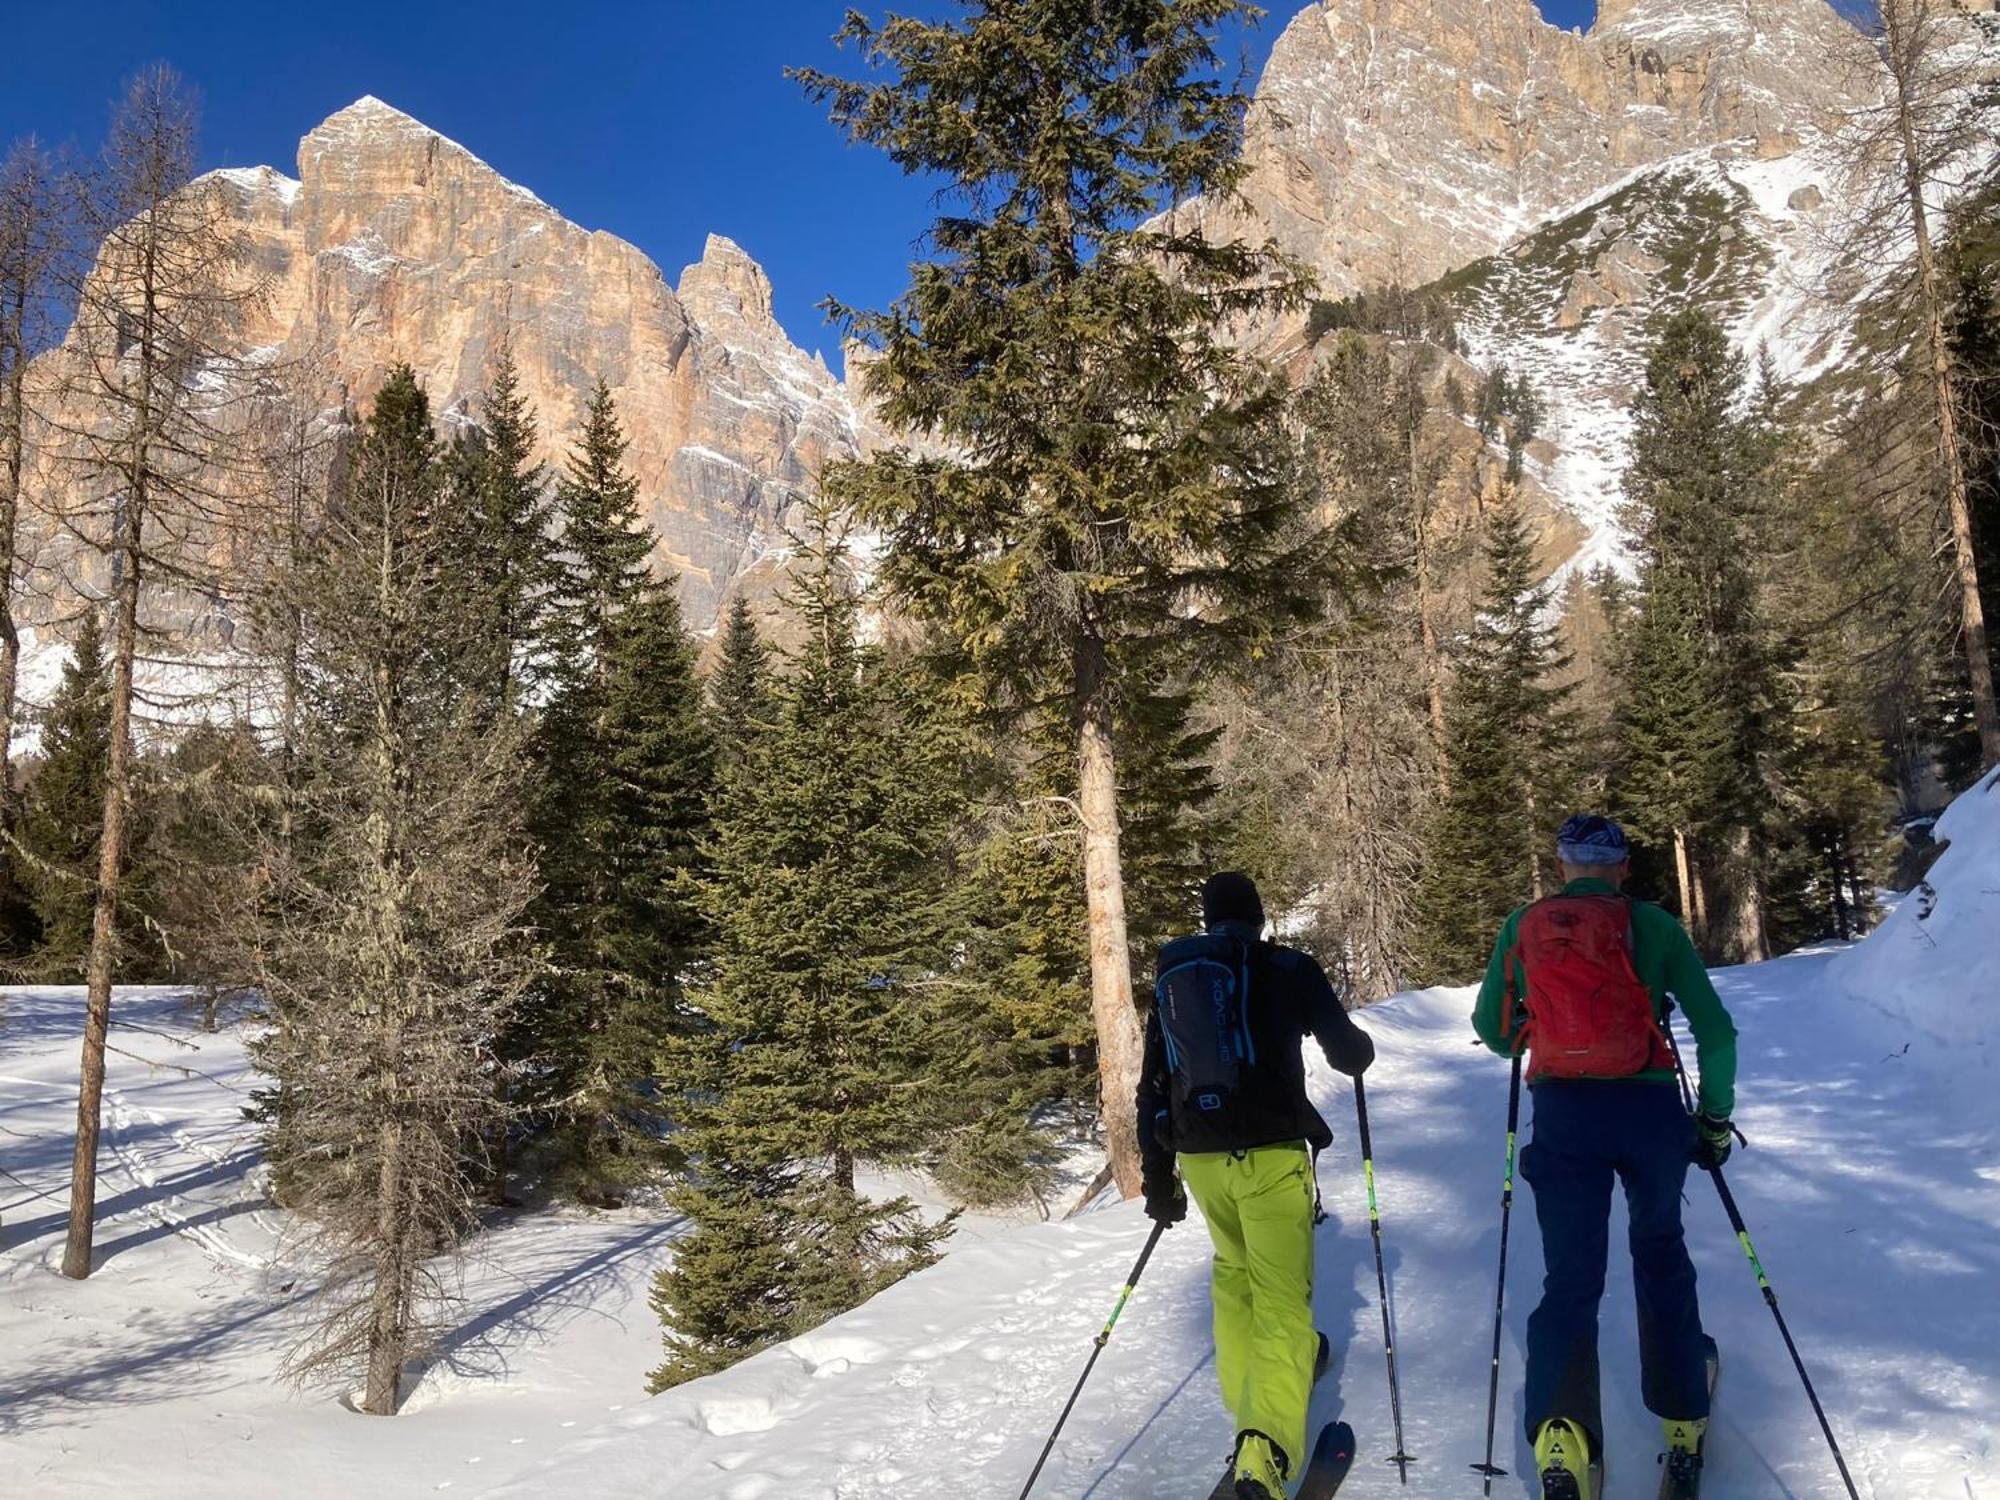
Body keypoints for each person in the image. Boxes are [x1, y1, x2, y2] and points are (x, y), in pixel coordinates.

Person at [1471, 814, 1739, 1499]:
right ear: (1622, 868)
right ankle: (1682, 1425)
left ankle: (1562, 1439)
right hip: (1649, 1113)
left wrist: (1536, 1036)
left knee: (1571, 1277)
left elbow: (1491, 1031)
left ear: (1562, 866)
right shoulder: (1654, 927)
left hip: (1565, 1112)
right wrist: (1712, 1121)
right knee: (1660, 1252)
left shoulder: (1525, 926)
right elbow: (1715, 1031)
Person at [1136, 871, 1375, 1500]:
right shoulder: (1289, 967)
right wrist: (1357, 1048)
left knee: (1234, 1279)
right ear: (1259, 917)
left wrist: (1158, 1181)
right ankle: (1264, 1451)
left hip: (1201, 1157)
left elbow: (1152, 1083)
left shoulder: (1179, 978)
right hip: (1270, 1156)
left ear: (1210, 919)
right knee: (1280, 1301)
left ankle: (1251, 1415)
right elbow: (1347, 1052)